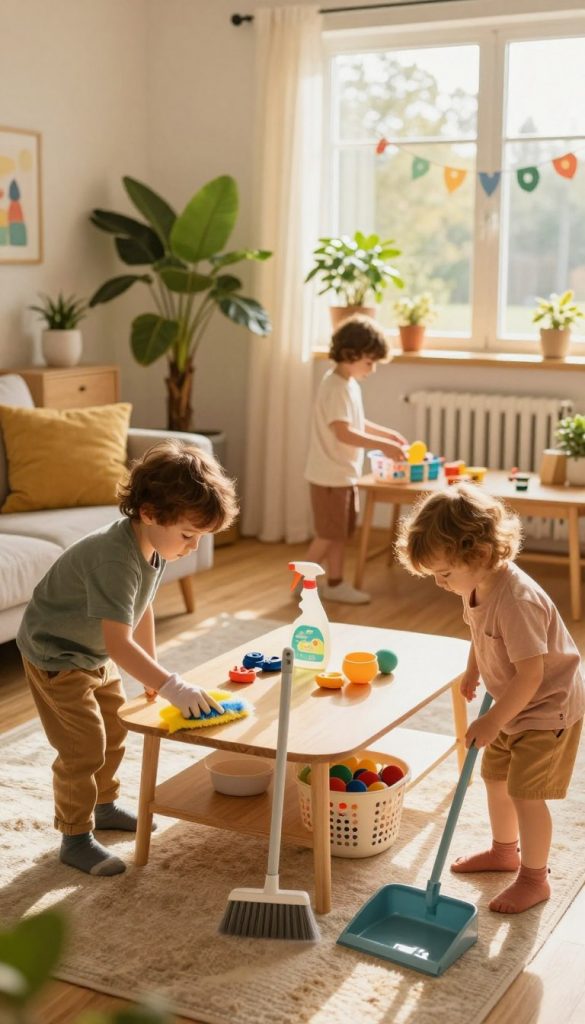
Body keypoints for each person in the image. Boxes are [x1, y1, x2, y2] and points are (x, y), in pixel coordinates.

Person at [17, 439, 238, 877]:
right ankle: (75, 836)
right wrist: (174, 686)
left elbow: (141, 609)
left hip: (94, 652)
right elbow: (119, 643)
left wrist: (152, 672)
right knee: (84, 747)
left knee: (115, 730)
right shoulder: (113, 559)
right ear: (150, 513)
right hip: (57, 655)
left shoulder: (152, 548)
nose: (193, 547)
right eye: (189, 535)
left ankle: (104, 805)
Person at [396, 483, 585, 913]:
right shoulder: (474, 585)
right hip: (510, 705)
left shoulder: (517, 600)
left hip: (545, 709)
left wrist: (494, 719)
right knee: (495, 779)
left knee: (525, 793)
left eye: (444, 573)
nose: (441, 584)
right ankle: (504, 851)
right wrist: (474, 667)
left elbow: (532, 674)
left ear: (478, 555)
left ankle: (536, 879)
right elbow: (480, 632)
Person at [304, 314, 407, 604]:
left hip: (341, 474)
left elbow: (356, 422)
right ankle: (300, 581)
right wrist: (383, 445)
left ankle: (334, 583)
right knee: (328, 535)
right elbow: (343, 433)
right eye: (369, 362)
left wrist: (388, 435)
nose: (372, 370)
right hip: (329, 476)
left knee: (338, 534)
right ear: (352, 354)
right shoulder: (335, 387)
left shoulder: (347, 384)